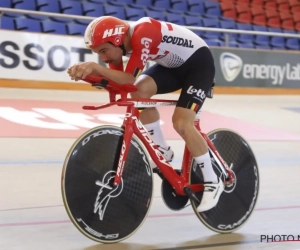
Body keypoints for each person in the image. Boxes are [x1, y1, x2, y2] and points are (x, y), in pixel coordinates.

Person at [67, 16, 223, 212]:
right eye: (98, 54)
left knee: (182, 123)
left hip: (198, 65)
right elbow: (121, 87)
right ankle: (162, 149)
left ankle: (212, 182)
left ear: (117, 39)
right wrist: (91, 77)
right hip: (172, 67)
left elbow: (128, 79)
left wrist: (97, 68)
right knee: (138, 92)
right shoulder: (118, 49)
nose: (104, 58)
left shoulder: (143, 32)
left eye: (104, 51)